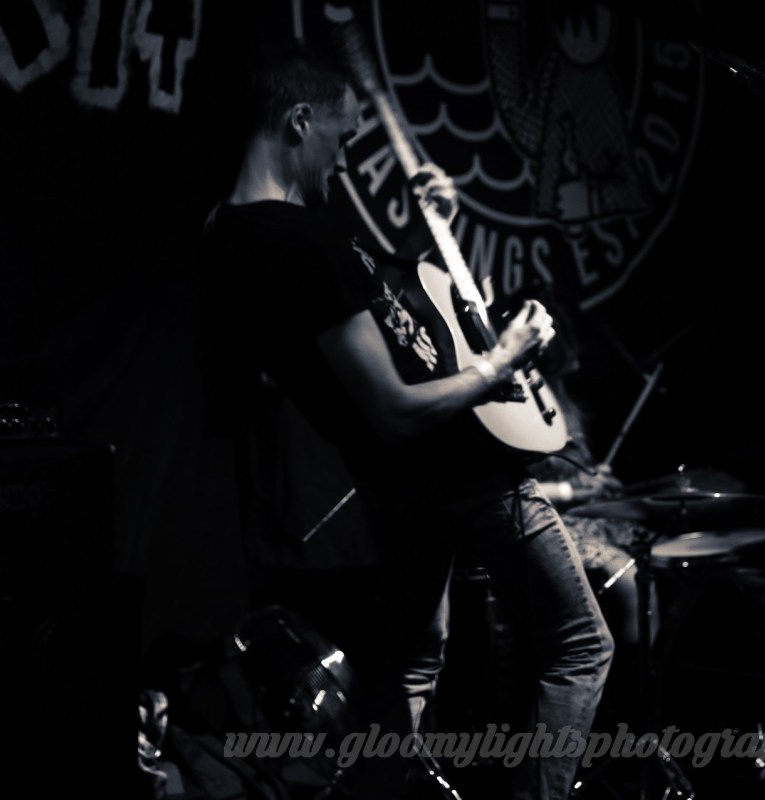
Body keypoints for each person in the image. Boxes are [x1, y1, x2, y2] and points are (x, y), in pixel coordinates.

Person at [197, 45, 613, 799]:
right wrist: (503, 359)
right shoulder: (299, 240)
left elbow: (390, 332)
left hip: (393, 489)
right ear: (300, 121)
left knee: (415, 662)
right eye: (343, 137)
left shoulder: (234, 235)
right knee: (581, 647)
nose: (346, 159)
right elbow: (393, 408)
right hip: (462, 470)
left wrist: (430, 235)